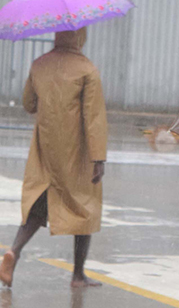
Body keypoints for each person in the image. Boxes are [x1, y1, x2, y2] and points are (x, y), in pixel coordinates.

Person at [0, 28, 106, 288]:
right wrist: (98, 158)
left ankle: (14, 250)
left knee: (38, 207)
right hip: (76, 151)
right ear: (80, 37)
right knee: (84, 208)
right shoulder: (86, 69)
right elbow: (93, 118)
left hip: (44, 149)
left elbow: (28, 104)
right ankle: (78, 275)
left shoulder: (40, 65)